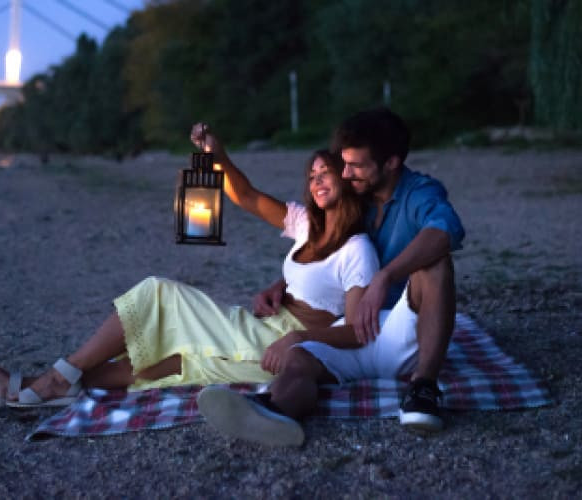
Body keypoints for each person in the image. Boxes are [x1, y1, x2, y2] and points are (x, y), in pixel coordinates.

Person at [0, 134, 378, 441]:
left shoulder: (357, 249)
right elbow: (248, 197)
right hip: (263, 331)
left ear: (346, 180)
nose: (318, 179)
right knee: (168, 361)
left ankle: (50, 382)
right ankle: (28, 388)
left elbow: (356, 330)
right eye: (312, 174)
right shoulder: (308, 223)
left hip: (281, 347)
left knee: (157, 293)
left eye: (326, 173)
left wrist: (300, 339)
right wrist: (218, 159)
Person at [198, 108, 464, 442]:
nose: (346, 172)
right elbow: (321, 249)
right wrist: (284, 284)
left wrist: (385, 276)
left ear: (391, 163)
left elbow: (445, 230)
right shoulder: (356, 195)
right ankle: (275, 411)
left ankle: (424, 387)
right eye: (344, 164)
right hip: (357, 328)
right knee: (300, 355)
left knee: (436, 262)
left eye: (356, 166)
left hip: (403, 326)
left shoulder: (419, 193)